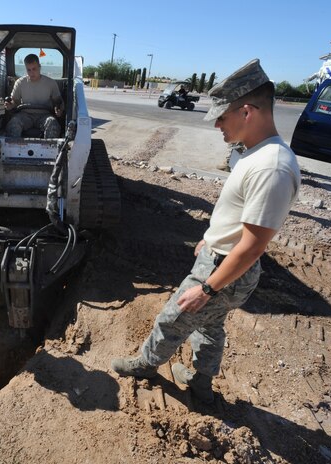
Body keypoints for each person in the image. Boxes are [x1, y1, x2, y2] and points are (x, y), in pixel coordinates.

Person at [111, 59, 301, 404]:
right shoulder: (255, 154)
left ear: (246, 112)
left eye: (221, 116)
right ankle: (201, 385)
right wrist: (211, 238)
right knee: (209, 325)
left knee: (174, 318)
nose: (216, 124)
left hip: (225, 269)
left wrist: (208, 289)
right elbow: (239, 216)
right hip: (220, 256)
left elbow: (254, 246)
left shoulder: (271, 167)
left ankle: (146, 364)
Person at [4, 54, 64, 138]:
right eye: (29, 70)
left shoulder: (51, 83)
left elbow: (58, 101)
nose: (31, 73)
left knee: (52, 124)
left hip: (44, 115)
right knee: (13, 123)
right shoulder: (20, 83)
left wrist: (59, 109)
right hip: (25, 115)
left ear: (39, 67)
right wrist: (10, 105)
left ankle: (48, 150)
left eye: (34, 69)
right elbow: (15, 101)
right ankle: (13, 150)